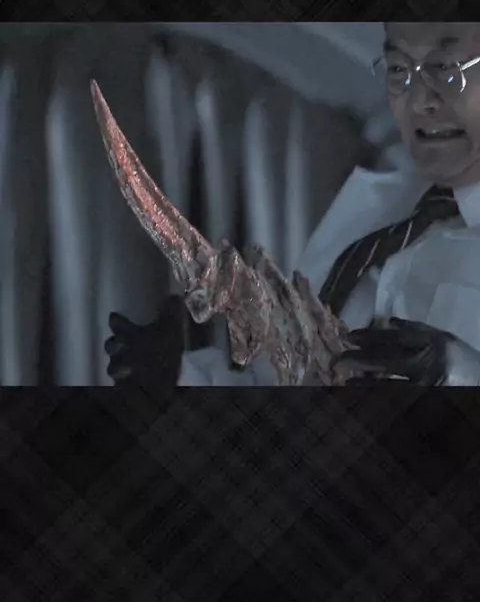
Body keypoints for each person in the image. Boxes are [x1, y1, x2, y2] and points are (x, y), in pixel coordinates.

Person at [105, 22, 480, 387]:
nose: (419, 100)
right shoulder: (379, 217)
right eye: (400, 70)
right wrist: (179, 375)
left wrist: (456, 370)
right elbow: (286, 376)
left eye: (446, 70)